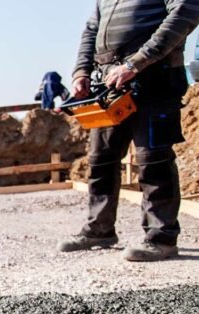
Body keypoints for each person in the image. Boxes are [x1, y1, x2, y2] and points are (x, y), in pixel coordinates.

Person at [58, 0, 199, 262]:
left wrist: (135, 63)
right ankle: (99, 229)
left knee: (152, 160)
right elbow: (92, 29)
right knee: (101, 159)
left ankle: (161, 237)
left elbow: (186, 12)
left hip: (155, 80)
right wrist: (81, 71)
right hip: (111, 85)